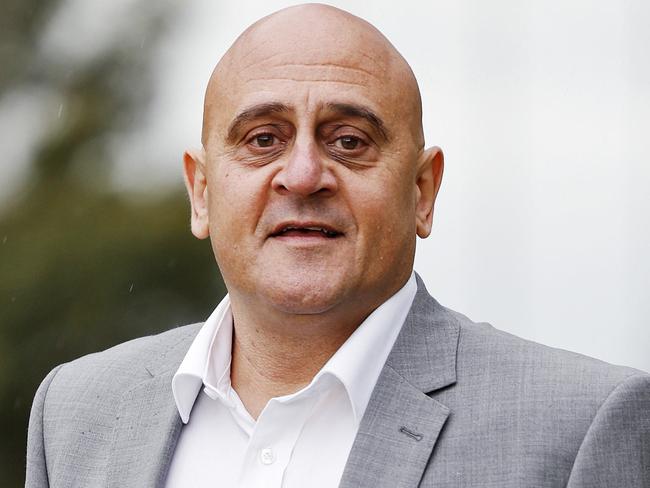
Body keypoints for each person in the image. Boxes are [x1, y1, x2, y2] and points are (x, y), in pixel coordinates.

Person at [26, 4, 649, 487]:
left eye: (348, 141)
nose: (302, 175)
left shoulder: (582, 427)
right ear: (202, 192)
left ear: (423, 191)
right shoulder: (76, 414)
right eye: (264, 138)